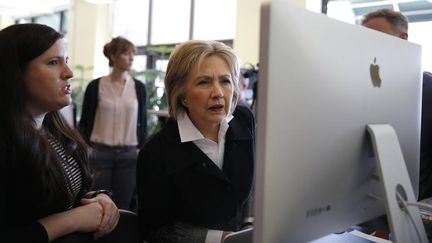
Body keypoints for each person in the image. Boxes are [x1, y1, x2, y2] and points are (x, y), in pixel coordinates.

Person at [0, 23, 119, 243]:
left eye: (66, 61)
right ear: (15, 73)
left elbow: (63, 194)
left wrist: (96, 198)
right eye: (53, 63)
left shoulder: (55, 130)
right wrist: (71, 220)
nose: (69, 73)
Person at [137, 40, 255, 243]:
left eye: (225, 81)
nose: (218, 93)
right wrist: (222, 239)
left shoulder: (244, 120)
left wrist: (250, 224)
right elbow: (155, 231)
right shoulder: (156, 153)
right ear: (182, 95)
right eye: (204, 82)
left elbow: (252, 180)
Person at [361, 8, 432, 201]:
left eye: (377, 38)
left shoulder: (428, 89)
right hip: (367, 211)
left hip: (417, 211)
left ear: (403, 39)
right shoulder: (359, 93)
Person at [78, 37, 147, 210]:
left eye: (133, 54)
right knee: (98, 206)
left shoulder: (138, 87)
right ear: (113, 56)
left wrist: (141, 149)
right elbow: (85, 120)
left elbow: (143, 122)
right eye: (126, 53)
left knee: (123, 207)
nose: (131, 58)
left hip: (128, 155)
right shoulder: (96, 86)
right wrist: (86, 147)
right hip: (100, 154)